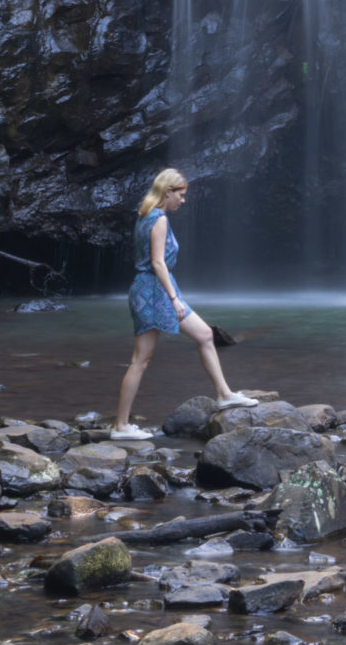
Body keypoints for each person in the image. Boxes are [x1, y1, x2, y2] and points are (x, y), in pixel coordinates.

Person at [111, 168, 258, 441]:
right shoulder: (159, 218)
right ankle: (120, 426)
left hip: (147, 288)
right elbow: (157, 262)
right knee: (141, 360)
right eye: (181, 194)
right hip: (155, 291)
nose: (184, 200)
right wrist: (174, 298)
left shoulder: (144, 214)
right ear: (168, 192)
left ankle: (224, 394)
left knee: (202, 336)